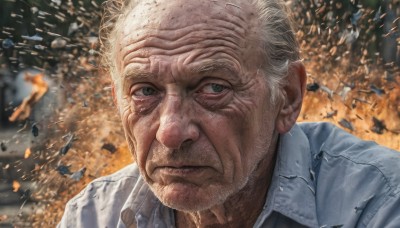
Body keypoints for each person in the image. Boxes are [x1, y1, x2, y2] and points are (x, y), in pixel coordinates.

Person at [58, 0, 400, 227]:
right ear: (118, 101)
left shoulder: (379, 202)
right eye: (146, 91)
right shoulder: (93, 216)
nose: (171, 132)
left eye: (213, 88)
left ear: (288, 97)